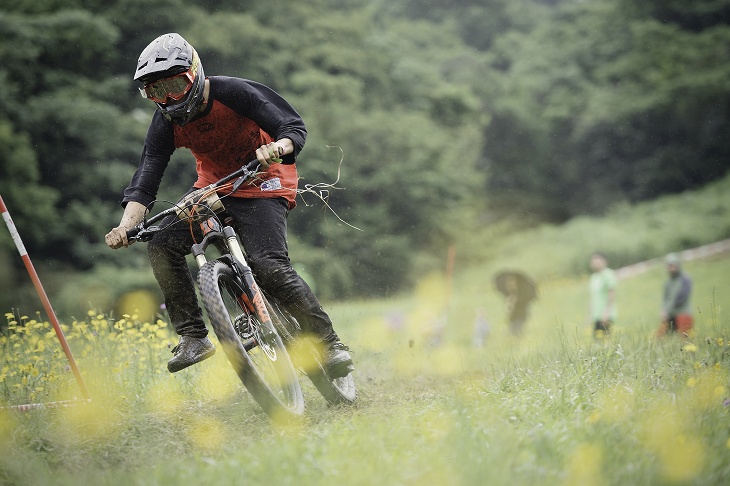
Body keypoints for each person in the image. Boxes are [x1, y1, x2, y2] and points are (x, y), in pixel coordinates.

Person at [104, 33, 353, 377]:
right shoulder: (165, 122)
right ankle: (194, 337)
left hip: (263, 178)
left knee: (268, 264)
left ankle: (329, 344)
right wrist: (125, 226)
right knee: (162, 244)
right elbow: (146, 179)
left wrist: (278, 147)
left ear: (195, 73)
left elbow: (292, 126)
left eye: (176, 85)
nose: (169, 98)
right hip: (213, 188)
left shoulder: (234, 92)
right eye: (157, 91)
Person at [656, 253, 693, 337]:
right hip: (670, 315)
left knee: (684, 339)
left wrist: (667, 310)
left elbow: (681, 298)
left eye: (673, 265)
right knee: (658, 338)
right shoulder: (668, 283)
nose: (672, 268)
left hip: (683, 313)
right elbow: (665, 298)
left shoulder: (685, 279)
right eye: (669, 266)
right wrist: (663, 310)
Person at [588, 252, 616, 337]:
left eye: (598, 262)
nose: (596, 264)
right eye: (594, 262)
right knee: (597, 341)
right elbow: (592, 297)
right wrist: (589, 315)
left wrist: (607, 311)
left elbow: (611, 293)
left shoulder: (608, 274)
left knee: (606, 339)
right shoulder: (593, 277)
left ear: (604, 262)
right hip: (595, 314)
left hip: (605, 314)